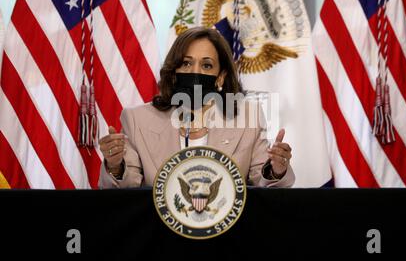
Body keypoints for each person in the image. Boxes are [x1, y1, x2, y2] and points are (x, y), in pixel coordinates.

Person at [98, 27, 295, 188]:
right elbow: (126, 190)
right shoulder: (137, 119)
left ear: (220, 77)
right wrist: (115, 166)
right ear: (174, 71)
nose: (195, 72)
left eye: (206, 66)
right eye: (186, 63)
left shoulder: (247, 116)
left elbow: (262, 183)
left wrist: (276, 169)